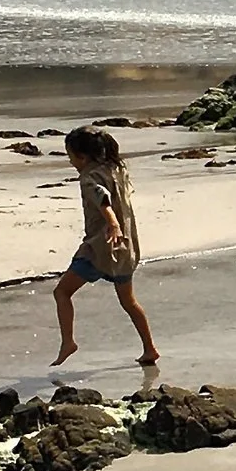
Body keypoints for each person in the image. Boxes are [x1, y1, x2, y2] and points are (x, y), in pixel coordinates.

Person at [53, 125, 158, 366]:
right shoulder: (116, 169)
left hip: (99, 249)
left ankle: (68, 342)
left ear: (82, 156)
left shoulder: (89, 177)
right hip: (126, 248)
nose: (71, 162)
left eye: (70, 156)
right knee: (129, 302)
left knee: (62, 292)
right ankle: (150, 348)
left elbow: (102, 198)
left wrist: (112, 223)